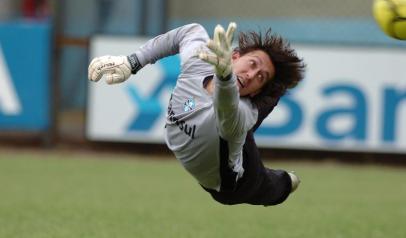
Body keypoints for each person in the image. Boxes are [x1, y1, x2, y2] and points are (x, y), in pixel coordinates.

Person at [88, 22, 305, 206]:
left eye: (260, 76)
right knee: (245, 109)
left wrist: (225, 76)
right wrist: (132, 61)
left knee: (269, 184)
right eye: (252, 64)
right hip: (226, 127)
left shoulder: (243, 114)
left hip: (232, 185)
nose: (251, 74)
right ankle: (270, 86)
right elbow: (190, 31)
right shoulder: (199, 63)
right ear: (234, 56)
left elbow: (226, 104)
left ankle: (287, 181)